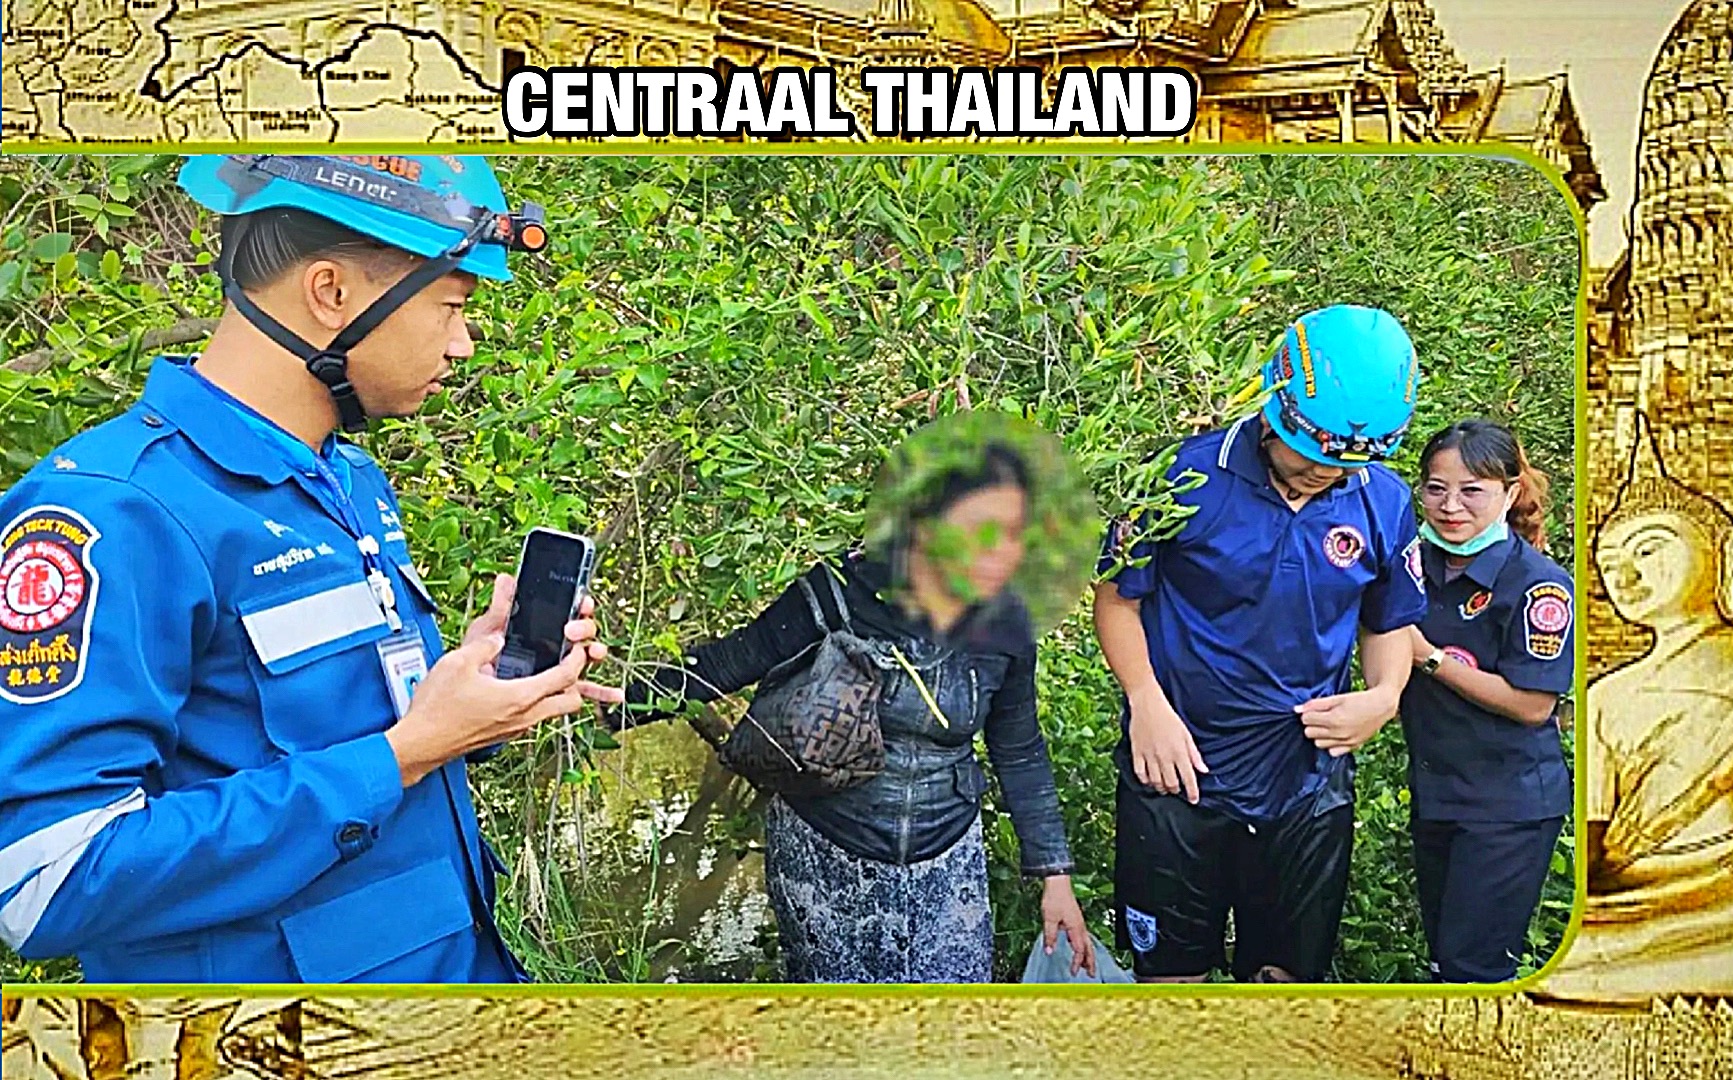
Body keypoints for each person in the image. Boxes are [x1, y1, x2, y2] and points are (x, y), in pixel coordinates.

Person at [0, 154, 618, 983]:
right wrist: (403, 751)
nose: (464, 344)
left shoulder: (344, 477)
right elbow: (51, 880)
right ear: (331, 292)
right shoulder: (115, 513)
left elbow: (335, 728)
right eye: (451, 307)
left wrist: (474, 702)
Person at [604, 435, 1094, 983]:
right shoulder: (846, 591)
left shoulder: (1008, 628)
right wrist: (616, 702)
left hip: (947, 851)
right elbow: (734, 659)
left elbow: (1020, 750)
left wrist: (1056, 879)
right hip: (827, 845)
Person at [1095, 304, 1426, 983]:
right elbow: (1116, 598)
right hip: (1178, 770)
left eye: (1343, 463)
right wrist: (1145, 702)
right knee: (1168, 981)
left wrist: (1384, 696)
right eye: (1309, 454)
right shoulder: (1181, 474)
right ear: (1277, 409)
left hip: (1305, 783)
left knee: (1283, 981)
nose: (1322, 473)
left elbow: (1386, 619)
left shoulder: (1381, 500)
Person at [1541, 413, 1733, 1002]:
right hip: (1645, 898)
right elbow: (1592, 841)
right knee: (1562, 954)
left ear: (1725, 551)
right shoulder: (1606, 697)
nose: (1629, 577)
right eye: (1611, 567)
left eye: (1649, 550)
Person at [1398, 419, 1573, 983]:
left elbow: (1532, 704)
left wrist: (1427, 657)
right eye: (1435, 488)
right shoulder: (1413, 565)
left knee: (1473, 970)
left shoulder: (1536, 584)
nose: (1451, 506)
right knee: (1444, 960)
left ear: (1510, 492)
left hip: (1507, 806)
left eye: (1472, 490)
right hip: (1439, 792)